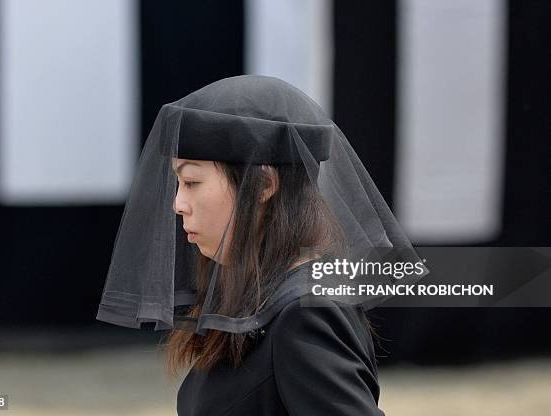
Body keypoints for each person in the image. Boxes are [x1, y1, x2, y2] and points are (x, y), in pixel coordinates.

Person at [96, 74, 427, 415]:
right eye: (178, 183)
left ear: (264, 184)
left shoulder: (305, 313)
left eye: (192, 181)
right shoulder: (258, 294)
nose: (178, 203)